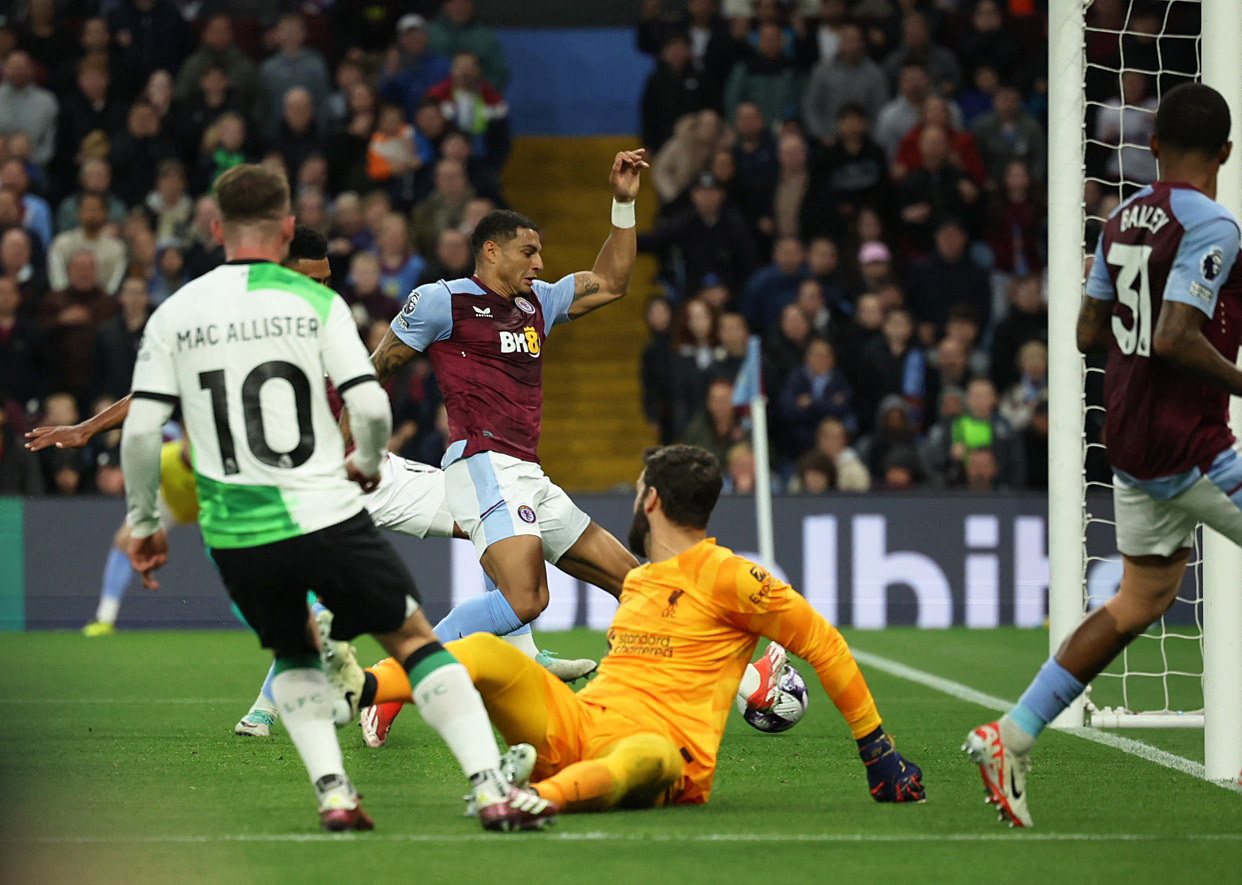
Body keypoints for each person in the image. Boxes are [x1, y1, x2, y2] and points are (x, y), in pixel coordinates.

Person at [963, 83, 1242, 827]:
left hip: (1129, 440)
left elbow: (1089, 333)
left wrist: (1212, 322)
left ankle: (1007, 734)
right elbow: (1173, 335)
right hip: (1194, 444)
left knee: (1139, 598)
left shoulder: (1120, 217)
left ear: (1150, 147)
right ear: (1226, 151)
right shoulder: (1213, 220)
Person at [118, 164, 554, 833]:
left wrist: (146, 521)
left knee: (293, 651)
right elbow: (369, 404)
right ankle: (491, 787)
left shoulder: (176, 313)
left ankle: (333, 793)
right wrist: (368, 462)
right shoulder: (315, 305)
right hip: (323, 507)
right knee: (413, 639)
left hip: (236, 529)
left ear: (214, 229)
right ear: (288, 229)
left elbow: (145, 431)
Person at [331, 445, 926, 813]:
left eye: (640, 488)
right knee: (486, 650)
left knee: (651, 754)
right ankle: (362, 690)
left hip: (667, 759)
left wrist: (879, 753)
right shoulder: (640, 583)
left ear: (652, 503)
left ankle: (535, 798)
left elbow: (822, 643)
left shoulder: (734, 578)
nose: (635, 495)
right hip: (580, 727)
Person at [359, 152, 652, 741]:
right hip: (480, 463)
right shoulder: (442, 300)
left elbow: (614, 283)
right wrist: (348, 440)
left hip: (528, 472)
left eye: (541, 253)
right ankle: (390, 683)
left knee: (636, 581)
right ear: (490, 250)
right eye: (529, 252)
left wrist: (622, 201)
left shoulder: (537, 304)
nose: (540, 264)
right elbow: (377, 371)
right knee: (525, 599)